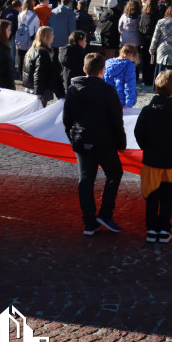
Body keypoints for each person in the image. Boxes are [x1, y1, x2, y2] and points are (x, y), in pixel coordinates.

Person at [62, 52, 127, 235]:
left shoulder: (73, 89)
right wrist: (121, 143)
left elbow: (67, 119)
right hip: (104, 142)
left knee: (86, 180)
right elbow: (116, 120)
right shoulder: (108, 91)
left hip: (82, 141)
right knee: (114, 173)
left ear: (84, 69)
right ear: (102, 70)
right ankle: (105, 213)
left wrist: (73, 137)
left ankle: (89, 222)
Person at [134, 69, 172, 243]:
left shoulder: (146, 111)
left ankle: (151, 229)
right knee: (167, 199)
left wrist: (147, 148)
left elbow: (139, 133)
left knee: (151, 197)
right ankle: (164, 230)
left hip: (152, 161)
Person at [22, 26, 56, 106]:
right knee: (40, 110)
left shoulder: (32, 50)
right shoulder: (42, 52)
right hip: (40, 88)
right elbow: (39, 73)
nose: (53, 36)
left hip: (31, 86)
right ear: (46, 37)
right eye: (52, 34)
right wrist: (38, 91)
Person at [104, 44, 139, 108]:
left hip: (108, 100)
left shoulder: (108, 63)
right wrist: (129, 104)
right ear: (131, 55)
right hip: (121, 101)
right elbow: (129, 85)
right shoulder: (129, 65)